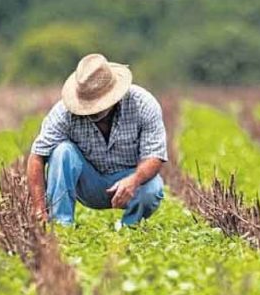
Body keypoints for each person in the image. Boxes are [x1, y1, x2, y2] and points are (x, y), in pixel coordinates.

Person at [27, 53, 167, 228]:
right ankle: (61, 226)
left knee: (153, 188)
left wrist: (134, 180)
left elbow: (154, 156)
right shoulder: (63, 113)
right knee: (62, 151)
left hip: (129, 181)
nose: (92, 110)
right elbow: (37, 157)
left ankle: (129, 228)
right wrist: (39, 208)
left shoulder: (143, 104)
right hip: (88, 183)